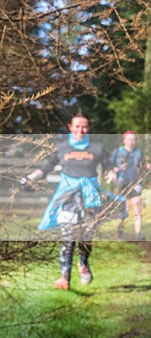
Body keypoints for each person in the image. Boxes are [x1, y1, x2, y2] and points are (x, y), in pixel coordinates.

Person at [22, 113, 125, 290]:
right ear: (70, 127)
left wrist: (112, 173)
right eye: (77, 126)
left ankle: (83, 262)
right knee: (68, 237)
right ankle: (64, 278)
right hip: (68, 197)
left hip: (90, 197)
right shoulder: (62, 146)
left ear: (88, 128)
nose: (80, 130)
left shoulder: (97, 147)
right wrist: (30, 178)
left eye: (84, 127)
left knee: (87, 236)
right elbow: (46, 168)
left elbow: (109, 166)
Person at [109, 131, 151, 241]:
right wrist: (114, 170)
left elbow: (142, 165)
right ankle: (120, 232)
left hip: (135, 184)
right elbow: (108, 165)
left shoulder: (138, 153)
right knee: (123, 210)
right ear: (124, 140)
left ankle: (138, 234)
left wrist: (147, 166)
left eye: (133, 139)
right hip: (121, 184)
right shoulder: (117, 152)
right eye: (129, 139)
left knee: (137, 209)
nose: (131, 142)